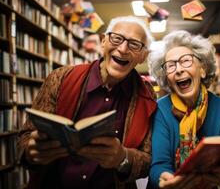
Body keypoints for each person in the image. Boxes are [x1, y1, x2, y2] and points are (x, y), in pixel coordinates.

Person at [18, 16, 157, 189]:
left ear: (143, 56)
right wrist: (32, 152)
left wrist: (123, 157)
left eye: (134, 44)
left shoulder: (148, 96)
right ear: (103, 42)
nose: (122, 49)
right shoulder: (60, 77)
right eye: (116, 38)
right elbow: (25, 136)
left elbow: (149, 158)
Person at [147, 30, 220, 188]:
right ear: (167, 78)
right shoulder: (160, 109)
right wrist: (164, 179)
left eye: (186, 61)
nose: (178, 69)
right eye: (171, 66)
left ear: (202, 69)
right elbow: (159, 165)